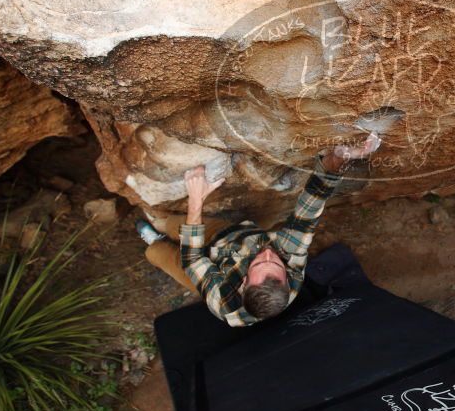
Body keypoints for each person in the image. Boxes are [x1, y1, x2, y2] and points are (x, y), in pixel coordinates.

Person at [137, 133, 381, 327]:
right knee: (174, 223)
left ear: (243, 283)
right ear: (286, 279)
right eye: (274, 263)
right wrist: (338, 160)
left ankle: (155, 241)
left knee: (160, 255)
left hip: (208, 265)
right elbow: (310, 209)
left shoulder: (223, 301)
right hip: (229, 239)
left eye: (257, 264)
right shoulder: (292, 265)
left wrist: (196, 199)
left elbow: (192, 259)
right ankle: (162, 222)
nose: (266, 253)